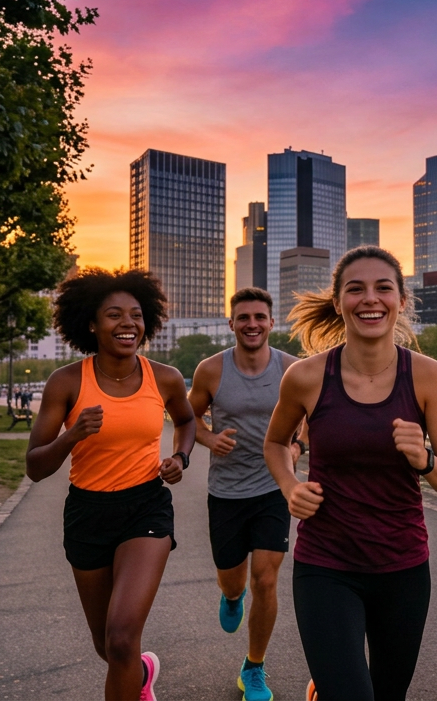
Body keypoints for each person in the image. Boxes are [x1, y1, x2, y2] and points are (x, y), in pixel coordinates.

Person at [263, 246, 437, 701]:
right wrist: (290, 486)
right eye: (356, 289)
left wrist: (424, 459)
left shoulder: (430, 377)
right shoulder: (306, 377)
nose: (370, 299)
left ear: (401, 300)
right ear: (338, 303)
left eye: (383, 288)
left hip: (402, 568)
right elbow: (275, 443)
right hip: (325, 565)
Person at [25, 269, 198, 701]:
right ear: (91, 323)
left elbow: (186, 420)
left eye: (136, 315)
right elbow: (35, 466)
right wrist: (71, 435)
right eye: (114, 314)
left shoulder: (164, 377)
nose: (128, 324)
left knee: (121, 637)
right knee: (107, 646)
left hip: (145, 508)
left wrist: (180, 457)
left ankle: (132, 673)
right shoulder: (66, 382)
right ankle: (141, 673)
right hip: (87, 514)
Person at [187, 288, 300, 701]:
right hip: (227, 492)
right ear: (231, 323)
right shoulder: (211, 370)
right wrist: (209, 439)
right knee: (234, 582)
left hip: (273, 487)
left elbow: (308, 415)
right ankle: (232, 596)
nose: (252, 324)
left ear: (271, 322)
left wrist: (298, 447)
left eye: (259, 317)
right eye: (244, 318)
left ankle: (254, 667)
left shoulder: (291, 369)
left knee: (266, 580)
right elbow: (187, 418)